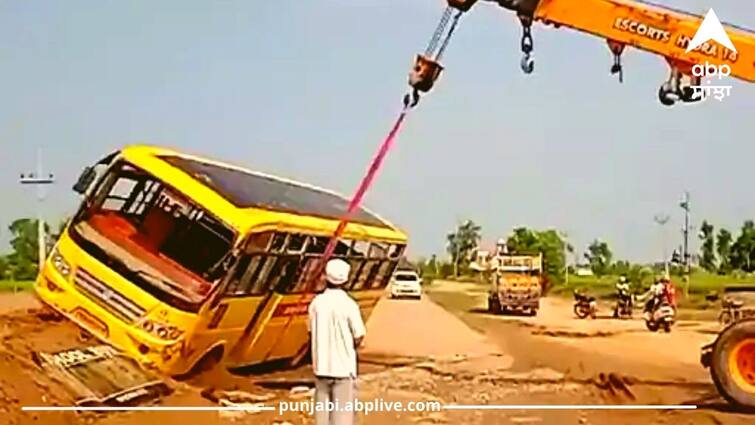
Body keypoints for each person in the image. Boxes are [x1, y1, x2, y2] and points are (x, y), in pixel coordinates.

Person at [307, 258, 366, 425]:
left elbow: (310, 332)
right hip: (343, 370)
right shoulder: (349, 305)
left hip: (321, 369)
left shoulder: (316, 304)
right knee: (342, 419)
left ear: (326, 277)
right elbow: (359, 335)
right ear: (346, 280)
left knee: (322, 418)